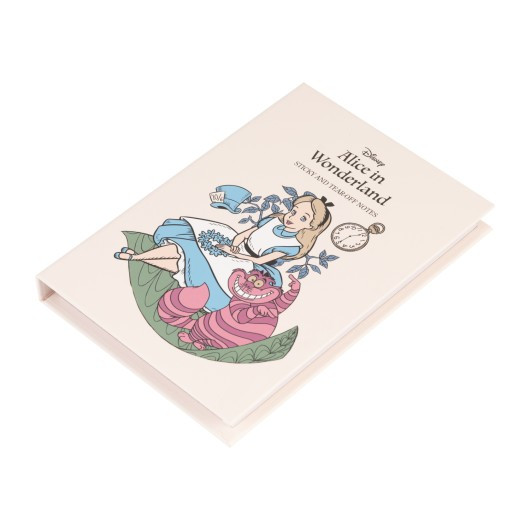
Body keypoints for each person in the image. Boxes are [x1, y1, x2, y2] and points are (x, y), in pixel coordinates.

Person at [114, 195, 332, 311]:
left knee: (192, 260)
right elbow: (247, 233)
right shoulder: (273, 220)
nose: (292, 217)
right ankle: (138, 257)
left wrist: (234, 254)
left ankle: (135, 257)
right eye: (294, 211)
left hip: (249, 263)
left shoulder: (292, 245)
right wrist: (234, 243)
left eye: (302, 218)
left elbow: (260, 259)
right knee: (189, 239)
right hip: (236, 245)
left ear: (310, 226)